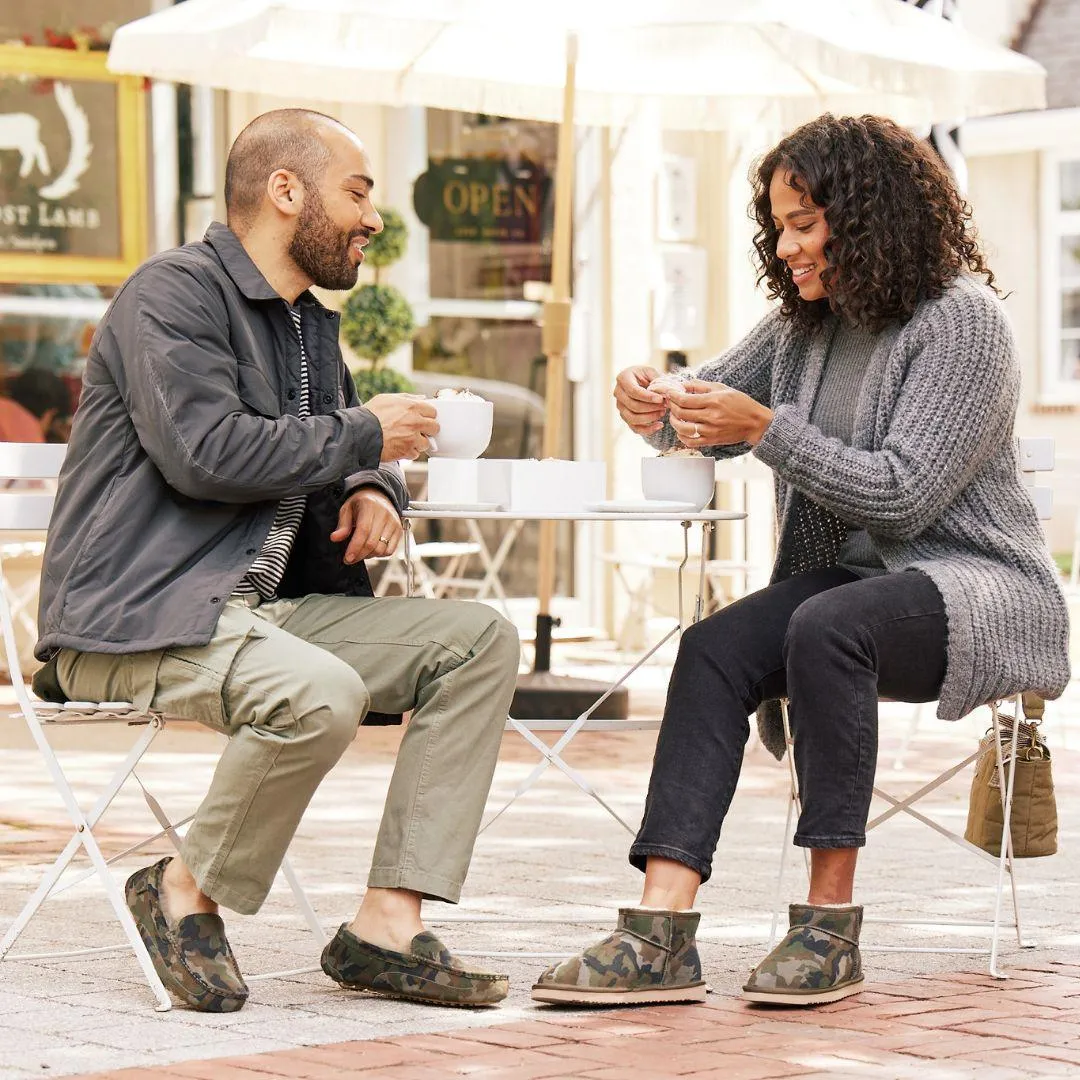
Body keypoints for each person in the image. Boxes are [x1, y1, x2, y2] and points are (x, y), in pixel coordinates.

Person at [531, 114, 1070, 1008]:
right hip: (859, 593)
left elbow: (902, 495)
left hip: (976, 589)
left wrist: (769, 431)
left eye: (805, 224)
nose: (787, 248)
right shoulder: (803, 329)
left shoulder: (964, 325)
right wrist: (654, 399)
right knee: (713, 647)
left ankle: (827, 929)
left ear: (867, 218)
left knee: (825, 627)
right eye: (778, 226)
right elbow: (708, 403)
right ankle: (660, 932)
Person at [34, 108, 521, 1013]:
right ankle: (182, 891)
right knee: (320, 691)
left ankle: (387, 926)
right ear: (285, 191)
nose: (375, 217)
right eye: (360, 192)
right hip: (140, 613)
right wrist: (367, 430)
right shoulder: (170, 296)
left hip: (259, 615)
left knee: (479, 639)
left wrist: (377, 485)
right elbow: (209, 453)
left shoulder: (308, 325)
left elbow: (329, 443)